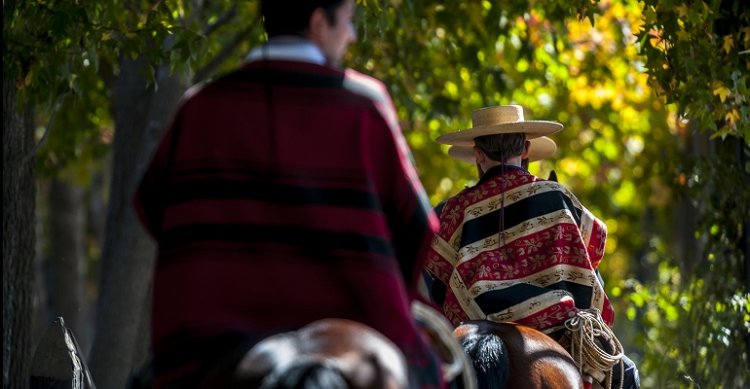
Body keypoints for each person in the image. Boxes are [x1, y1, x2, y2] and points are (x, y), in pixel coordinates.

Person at [133, 1, 443, 387]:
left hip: (207, 340)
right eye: (347, 20)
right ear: (318, 21)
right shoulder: (364, 105)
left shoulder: (200, 107)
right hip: (356, 315)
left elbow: (151, 209)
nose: (352, 35)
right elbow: (415, 225)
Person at [422, 105, 640, 389]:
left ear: (478, 154)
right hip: (557, 330)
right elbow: (593, 248)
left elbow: (434, 281)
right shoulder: (556, 196)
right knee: (627, 373)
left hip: (474, 324)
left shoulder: (452, 211)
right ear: (525, 149)